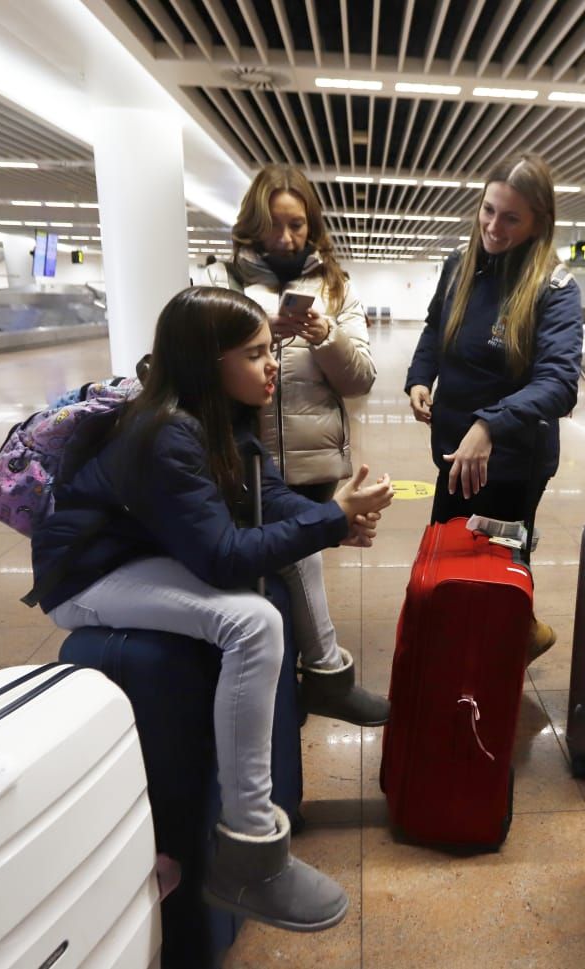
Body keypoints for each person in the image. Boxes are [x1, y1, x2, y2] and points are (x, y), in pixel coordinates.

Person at [31, 287, 393, 931]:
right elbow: (224, 558)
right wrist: (333, 521)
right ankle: (249, 854)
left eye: (268, 351)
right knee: (252, 622)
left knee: (295, 554)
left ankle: (329, 678)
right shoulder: (167, 432)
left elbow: (273, 501)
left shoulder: (225, 414)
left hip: (140, 550)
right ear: (207, 360)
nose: (272, 365)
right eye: (254, 354)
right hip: (90, 578)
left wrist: (333, 520)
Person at [405, 152, 584, 663]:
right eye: (488, 210)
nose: (493, 226)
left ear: (538, 223)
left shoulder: (554, 288)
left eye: (511, 218)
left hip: (510, 463)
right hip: (456, 455)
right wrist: (420, 377)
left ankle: (504, 646)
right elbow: (436, 329)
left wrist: (490, 424)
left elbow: (560, 383)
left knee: (496, 565)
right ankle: (489, 641)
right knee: (451, 555)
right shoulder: (459, 266)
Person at [226, 164, 385, 722]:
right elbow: (200, 369)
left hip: (316, 460)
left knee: (301, 559)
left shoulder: (336, 289)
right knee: (274, 569)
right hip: (245, 457)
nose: (287, 238)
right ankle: (302, 678)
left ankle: (301, 678)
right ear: (254, 225)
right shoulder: (223, 283)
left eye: (298, 226)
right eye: (275, 225)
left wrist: (327, 337)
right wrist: (258, 334)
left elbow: (361, 378)